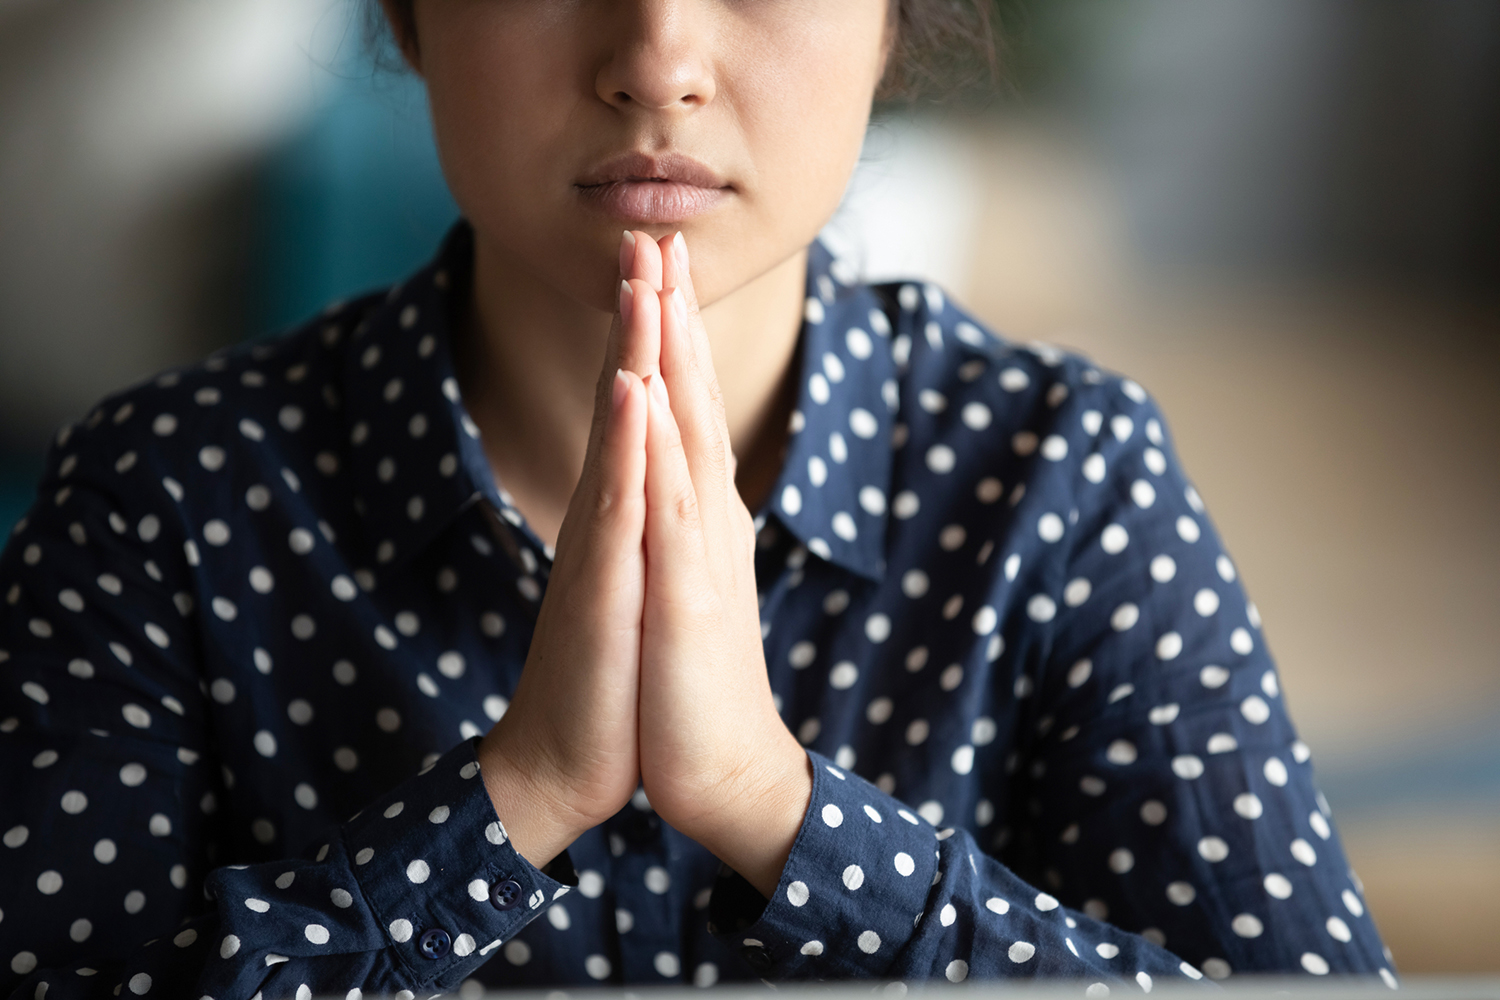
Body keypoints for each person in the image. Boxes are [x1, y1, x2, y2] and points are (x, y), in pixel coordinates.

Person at [0, 1, 1395, 997]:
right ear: (412, 20)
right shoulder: (160, 500)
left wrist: (771, 802)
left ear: (893, 26)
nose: (658, 59)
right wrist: (516, 797)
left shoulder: (1067, 482)